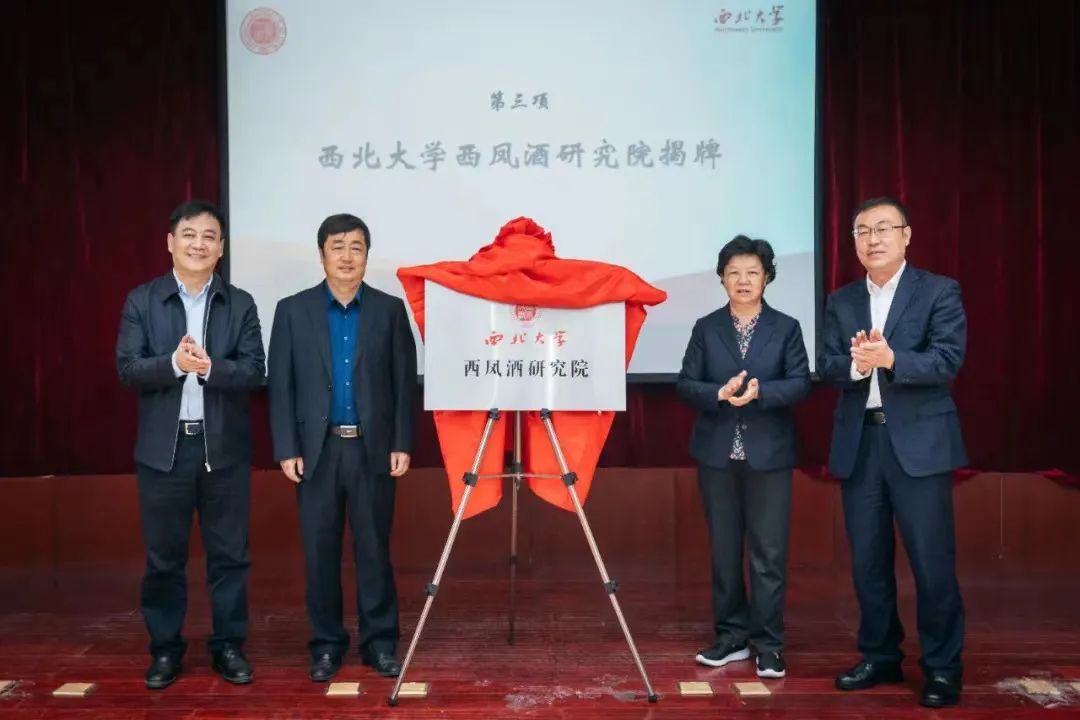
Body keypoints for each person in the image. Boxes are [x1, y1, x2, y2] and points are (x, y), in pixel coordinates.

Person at [819, 196, 967, 708]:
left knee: (931, 562)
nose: (873, 239)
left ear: (906, 235)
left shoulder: (938, 291)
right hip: (862, 443)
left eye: (883, 228)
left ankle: (943, 669)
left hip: (920, 446)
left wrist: (892, 358)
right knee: (868, 562)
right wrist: (858, 366)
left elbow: (947, 359)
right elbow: (827, 365)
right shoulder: (841, 301)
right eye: (862, 231)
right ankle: (880, 655)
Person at [116, 199, 265, 689]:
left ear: (221, 248)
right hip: (164, 452)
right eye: (189, 234)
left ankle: (229, 647)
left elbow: (254, 371)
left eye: (209, 237)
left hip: (223, 449)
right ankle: (165, 651)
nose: (198, 244)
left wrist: (210, 368)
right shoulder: (142, 300)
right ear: (170, 242)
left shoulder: (239, 303)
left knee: (229, 557)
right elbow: (128, 369)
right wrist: (175, 365)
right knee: (164, 559)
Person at [268, 213, 416, 682]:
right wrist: (287, 446)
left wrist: (401, 442)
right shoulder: (292, 311)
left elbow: (403, 383)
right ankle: (327, 646)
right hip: (317, 452)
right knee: (320, 553)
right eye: (338, 246)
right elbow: (281, 386)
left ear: (367, 255)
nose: (347, 256)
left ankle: (380, 643)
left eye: (356, 247)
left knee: (374, 550)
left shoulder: (390, 311)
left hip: (372, 450)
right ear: (322, 254)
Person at [677, 235, 811, 679]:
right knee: (724, 551)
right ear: (721, 279)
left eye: (752, 272)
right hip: (717, 455)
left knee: (768, 553)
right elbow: (685, 383)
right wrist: (717, 393)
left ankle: (768, 644)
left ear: (767, 277)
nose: (743, 280)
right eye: (733, 273)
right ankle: (731, 637)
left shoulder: (786, 327)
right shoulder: (706, 327)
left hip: (768, 456)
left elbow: (800, 383)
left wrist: (761, 393)